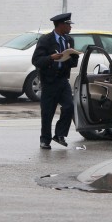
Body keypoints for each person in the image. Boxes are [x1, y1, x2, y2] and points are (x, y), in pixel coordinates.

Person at [32, 13, 79, 149]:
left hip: (63, 80)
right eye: (68, 24)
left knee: (69, 107)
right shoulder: (46, 40)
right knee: (47, 112)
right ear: (60, 25)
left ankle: (59, 134)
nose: (70, 27)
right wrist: (51, 58)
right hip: (49, 81)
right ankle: (45, 140)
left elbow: (74, 61)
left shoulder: (69, 40)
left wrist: (69, 57)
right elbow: (36, 60)